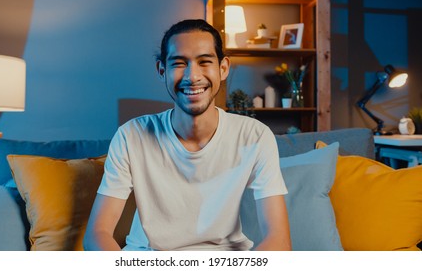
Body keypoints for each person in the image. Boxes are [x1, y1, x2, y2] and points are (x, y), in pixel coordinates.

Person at [83, 19, 291, 251]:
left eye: (204, 62)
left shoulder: (255, 135)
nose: (192, 76)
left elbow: (279, 240)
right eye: (180, 63)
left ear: (223, 68)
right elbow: (97, 234)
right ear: (162, 70)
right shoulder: (131, 136)